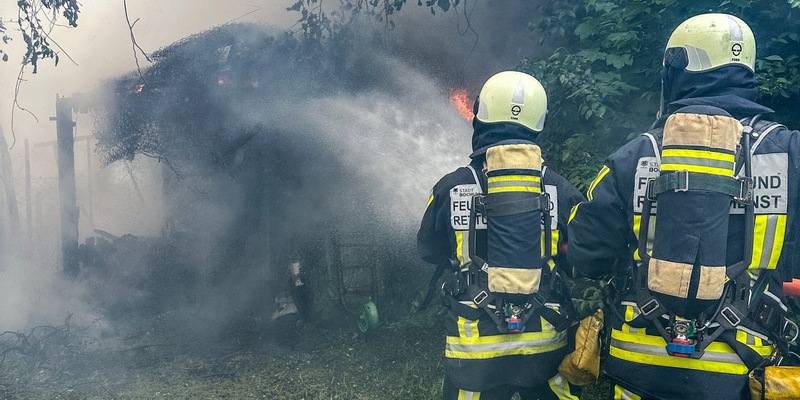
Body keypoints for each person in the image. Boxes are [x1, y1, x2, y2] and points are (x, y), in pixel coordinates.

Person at [567, 13, 800, 400]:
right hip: (744, 371)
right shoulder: (789, 154)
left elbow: (587, 253)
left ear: (678, 69)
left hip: (638, 364)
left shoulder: (636, 155)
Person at [417, 70, 584, 400]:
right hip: (545, 346)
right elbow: (580, 259)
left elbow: (428, 250)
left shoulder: (452, 187)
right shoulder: (560, 189)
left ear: (481, 116)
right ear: (538, 121)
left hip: (476, 350)